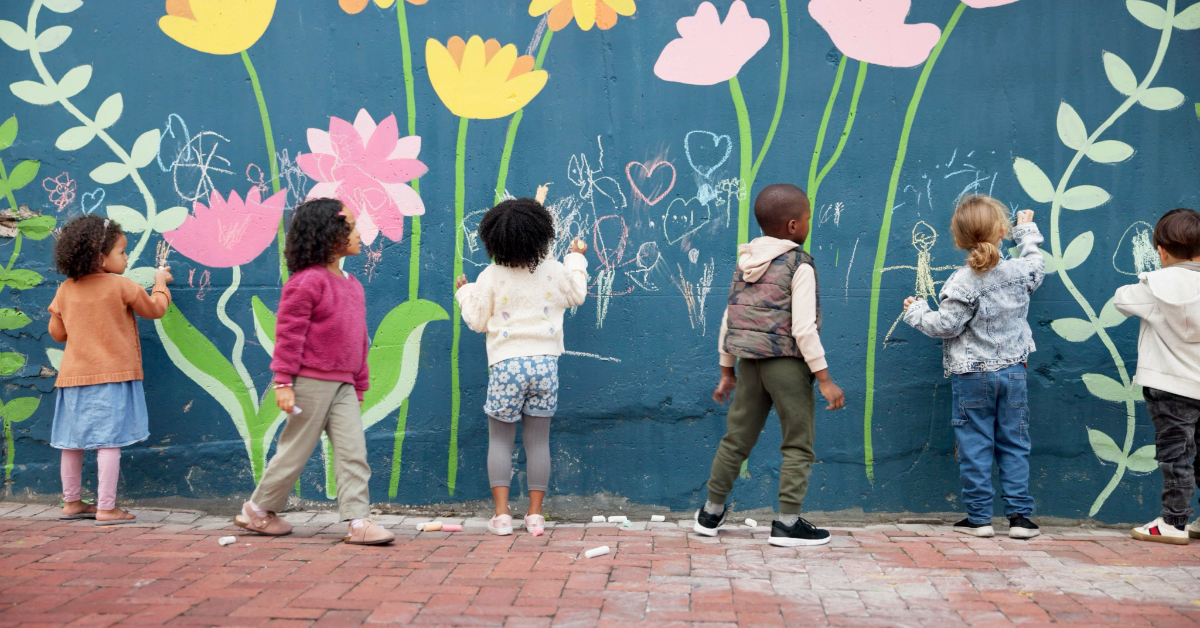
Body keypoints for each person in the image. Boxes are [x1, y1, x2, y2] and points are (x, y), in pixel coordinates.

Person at [234, 198, 393, 545]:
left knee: (354, 452)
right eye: (349, 225)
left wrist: (360, 384)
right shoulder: (307, 282)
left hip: (345, 386)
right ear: (328, 234)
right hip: (310, 382)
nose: (357, 231)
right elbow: (289, 334)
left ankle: (358, 520)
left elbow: (357, 339)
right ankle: (257, 510)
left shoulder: (352, 285)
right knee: (295, 450)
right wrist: (282, 382)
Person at [695, 183, 845, 547]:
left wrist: (726, 370)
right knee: (797, 443)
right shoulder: (799, 263)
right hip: (787, 367)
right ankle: (787, 524)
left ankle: (710, 513)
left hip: (748, 365)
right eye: (807, 217)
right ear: (793, 226)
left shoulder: (745, 261)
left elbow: (730, 319)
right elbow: (804, 328)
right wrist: (824, 378)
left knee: (736, 439)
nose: (809, 223)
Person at [903, 195, 1044, 539]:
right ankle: (1020, 518)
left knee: (975, 445)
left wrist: (916, 311)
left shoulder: (962, 281)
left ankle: (979, 518)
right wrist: (1025, 230)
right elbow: (1036, 262)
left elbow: (946, 326)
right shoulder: (1020, 271)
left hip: (973, 377)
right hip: (1014, 372)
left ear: (957, 240)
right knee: (1015, 443)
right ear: (1001, 230)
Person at [455, 195, 588, 536]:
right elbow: (577, 294)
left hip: (506, 366)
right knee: (538, 442)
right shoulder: (555, 269)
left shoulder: (489, 276)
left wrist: (465, 292)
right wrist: (576, 258)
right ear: (540, 235)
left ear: (494, 240)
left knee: (500, 441)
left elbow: (476, 321)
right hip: (546, 366)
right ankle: (535, 516)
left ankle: (501, 516)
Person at [48, 215, 172, 523]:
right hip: (112, 377)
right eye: (121, 252)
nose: (126, 257)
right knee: (108, 443)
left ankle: (72, 502)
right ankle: (106, 507)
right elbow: (155, 310)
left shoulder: (65, 289)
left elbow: (57, 333)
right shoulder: (122, 287)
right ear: (98, 256)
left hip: (73, 378)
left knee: (71, 442)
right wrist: (160, 284)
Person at [1115, 209, 1200, 544]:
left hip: (1170, 389)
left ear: (1161, 250)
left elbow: (1121, 299)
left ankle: (1173, 522)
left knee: (1175, 456)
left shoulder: (1155, 288)